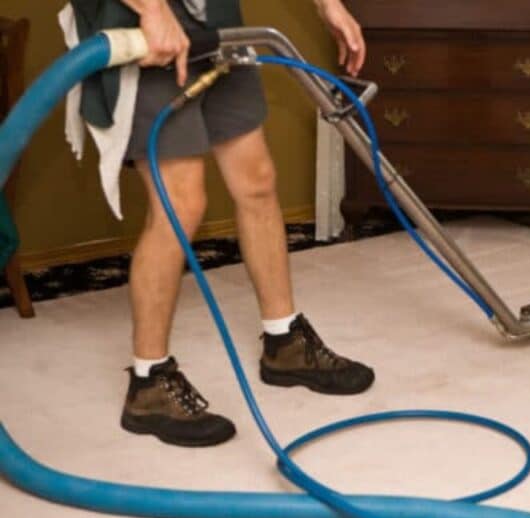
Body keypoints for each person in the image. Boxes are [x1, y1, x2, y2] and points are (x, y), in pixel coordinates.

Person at [68, 0, 373, 448]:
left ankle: (284, 341)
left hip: (215, 21)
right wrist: (152, 9)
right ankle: (149, 384)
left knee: (257, 181)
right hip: (144, 30)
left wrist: (329, 6)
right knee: (180, 204)